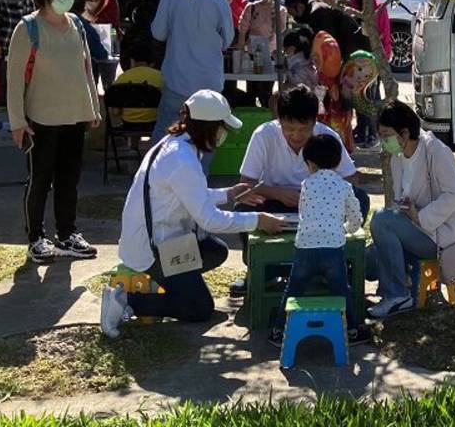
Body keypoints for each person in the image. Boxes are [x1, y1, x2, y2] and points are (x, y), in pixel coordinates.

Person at [102, 90, 285, 337]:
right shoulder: (181, 159)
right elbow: (209, 219)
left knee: (215, 251)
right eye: (222, 128)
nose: (223, 135)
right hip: (153, 249)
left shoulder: (178, 146)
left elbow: (190, 195)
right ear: (208, 127)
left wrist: (229, 194)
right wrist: (258, 220)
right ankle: (127, 301)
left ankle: (170, 283)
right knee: (199, 309)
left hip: (164, 240)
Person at [228, 83, 368, 296]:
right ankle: (259, 271)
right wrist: (278, 193)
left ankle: (333, 265)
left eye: (304, 129)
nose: (296, 135)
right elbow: (245, 185)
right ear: (279, 120)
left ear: (315, 121)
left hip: (319, 210)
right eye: (289, 128)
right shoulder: (263, 135)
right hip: (275, 204)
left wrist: (321, 194)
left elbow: (351, 181)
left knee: (360, 198)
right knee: (243, 208)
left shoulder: (326, 137)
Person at [6, 0, 102, 265]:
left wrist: (92, 108)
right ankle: (36, 238)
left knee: (69, 180)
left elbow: (86, 69)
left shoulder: (76, 25)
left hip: (74, 118)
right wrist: (17, 122)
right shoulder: (28, 28)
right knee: (40, 181)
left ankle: (67, 234)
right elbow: (13, 80)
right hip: (41, 121)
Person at [366, 100, 455, 319]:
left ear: (404, 133)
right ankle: (393, 293)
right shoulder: (398, 157)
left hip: (437, 236)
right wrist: (404, 208)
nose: (383, 141)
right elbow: (402, 198)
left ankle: (396, 296)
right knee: (366, 261)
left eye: (386, 135)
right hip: (414, 230)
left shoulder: (436, 152)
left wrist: (419, 216)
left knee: (381, 219)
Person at [269, 133, 367, 346]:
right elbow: (354, 214)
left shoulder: (306, 184)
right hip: (333, 246)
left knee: (294, 288)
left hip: (305, 245)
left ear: (310, 163)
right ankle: (352, 330)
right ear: (338, 161)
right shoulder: (344, 186)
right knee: (341, 289)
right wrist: (350, 228)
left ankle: (278, 330)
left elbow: (304, 211)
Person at [150, 0, 235, 154]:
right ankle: (199, 180)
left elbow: (158, 33)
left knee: (164, 134)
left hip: (177, 77)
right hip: (209, 80)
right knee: (206, 137)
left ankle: (153, 177)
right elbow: (227, 40)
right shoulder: (218, 0)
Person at [349, 0, 391, 148]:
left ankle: (373, 133)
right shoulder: (350, 6)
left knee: (371, 96)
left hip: (374, 57)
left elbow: (383, 34)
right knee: (357, 97)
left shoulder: (379, 7)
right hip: (355, 59)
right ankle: (361, 129)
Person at [236, 0, 289, 106]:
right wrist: (240, 53)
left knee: (266, 92)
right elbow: (243, 30)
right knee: (251, 91)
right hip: (252, 54)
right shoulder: (252, 7)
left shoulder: (281, 10)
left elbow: (280, 30)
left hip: (271, 55)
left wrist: (274, 14)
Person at [285, 0, 369, 59]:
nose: (292, 16)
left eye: (291, 12)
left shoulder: (317, 13)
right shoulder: (314, 11)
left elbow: (327, 42)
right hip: (349, 48)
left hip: (352, 50)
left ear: (299, 6)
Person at [111, 41, 164, 126]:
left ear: (132, 60)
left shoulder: (122, 78)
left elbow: (116, 112)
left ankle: (131, 139)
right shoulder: (160, 77)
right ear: (152, 61)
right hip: (154, 123)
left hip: (128, 123)